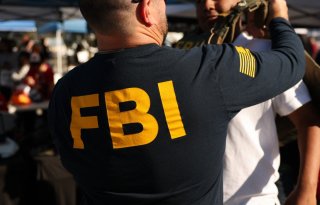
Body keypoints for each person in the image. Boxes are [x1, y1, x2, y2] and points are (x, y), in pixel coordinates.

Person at [48, 0, 306, 204]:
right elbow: (292, 62)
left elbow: (70, 161)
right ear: (146, 9)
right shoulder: (208, 69)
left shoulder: (64, 93)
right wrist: (279, 16)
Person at [187, 1, 320, 204]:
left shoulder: (264, 53)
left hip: (253, 200)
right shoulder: (184, 57)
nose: (207, 5)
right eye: (199, 0)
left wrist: (307, 189)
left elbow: (309, 120)